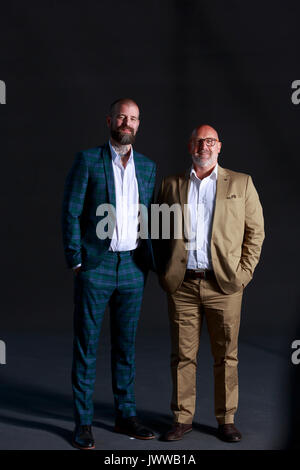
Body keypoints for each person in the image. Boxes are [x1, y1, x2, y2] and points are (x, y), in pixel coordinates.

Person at [155, 124, 264, 443]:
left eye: (211, 141)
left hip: (225, 287)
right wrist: (165, 273)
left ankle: (226, 419)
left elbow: (255, 234)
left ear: (220, 147)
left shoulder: (241, 183)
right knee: (182, 355)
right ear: (190, 147)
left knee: (226, 355)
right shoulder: (171, 184)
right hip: (183, 286)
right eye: (199, 141)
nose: (204, 146)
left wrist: (242, 275)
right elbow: (157, 233)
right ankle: (181, 418)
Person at [62, 98, 156, 450]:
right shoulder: (88, 160)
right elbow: (70, 213)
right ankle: (83, 422)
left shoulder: (147, 167)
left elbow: (148, 216)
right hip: (96, 266)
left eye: (133, 118)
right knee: (86, 346)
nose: (127, 123)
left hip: (133, 267)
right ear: (109, 121)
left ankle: (125, 414)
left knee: (126, 345)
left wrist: (149, 260)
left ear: (138, 125)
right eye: (122, 116)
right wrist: (76, 260)